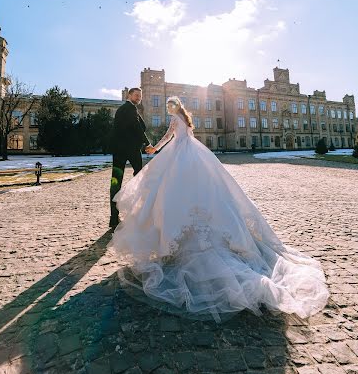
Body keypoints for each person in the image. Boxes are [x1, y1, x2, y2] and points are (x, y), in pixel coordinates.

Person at [109, 96, 329, 322]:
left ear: (173, 107)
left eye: (168, 106)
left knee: (172, 190)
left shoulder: (175, 120)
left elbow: (168, 137)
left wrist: (154, 147)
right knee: (203, 190)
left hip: (178, 156)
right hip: (192, 155)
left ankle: (174, 237)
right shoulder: (186, 118)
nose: (168, 109)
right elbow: (188, 138)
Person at [109, 87, 154, 229]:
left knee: (115, 182)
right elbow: (138, 127)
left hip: (118, 151)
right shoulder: (130, 109)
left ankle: (114, 218)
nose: (138, 98)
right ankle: (139, 212)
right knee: (141, 178)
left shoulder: (124, 109)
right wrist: (147, 143)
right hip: (131, 150)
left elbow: (137, 126)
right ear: (129, 95)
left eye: (140, 96)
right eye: (136, 95)